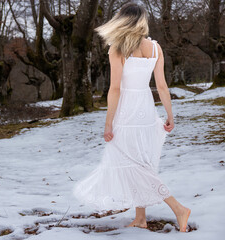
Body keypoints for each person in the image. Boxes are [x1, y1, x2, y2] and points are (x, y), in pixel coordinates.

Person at [72, 2, 191, 232]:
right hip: (146, 110)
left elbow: (115, 89)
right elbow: (162, 86)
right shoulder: (156, 48)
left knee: (133, 165)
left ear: (122, 20)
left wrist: (108, 123)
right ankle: (141, 218)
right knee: (140, 163)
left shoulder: (117, 48)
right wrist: (169, 115)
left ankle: (178, 208)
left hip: (127, 112)